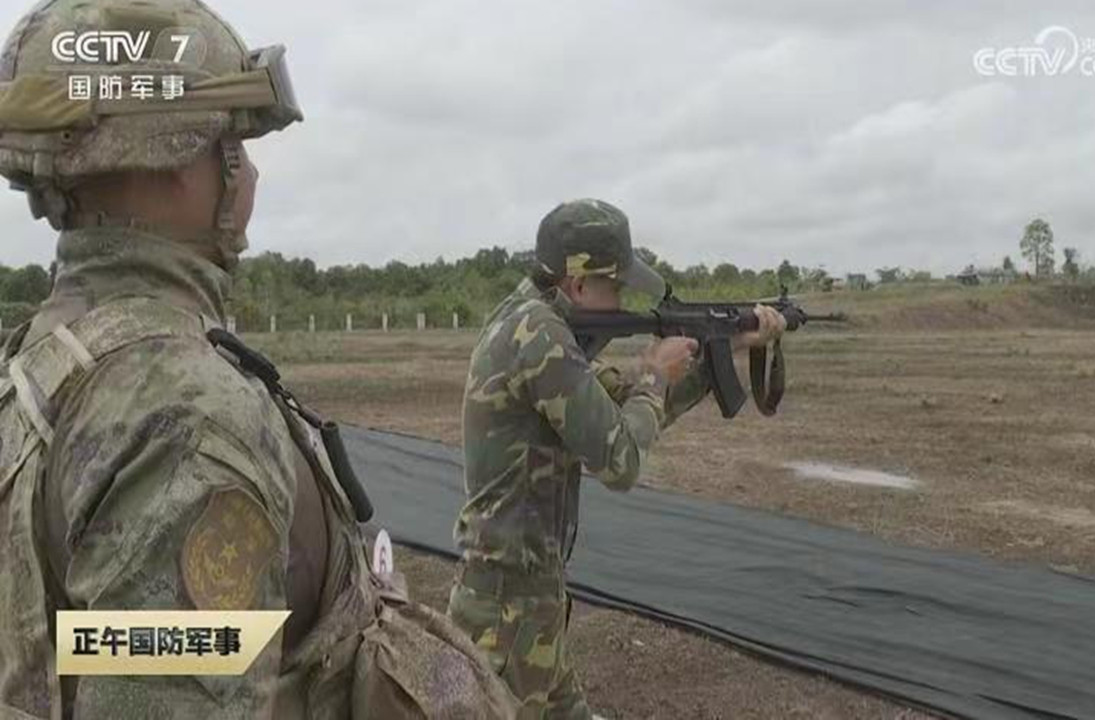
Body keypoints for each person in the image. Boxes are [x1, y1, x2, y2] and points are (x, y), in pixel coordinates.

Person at [0, 1, 514, 717]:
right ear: (183, 158)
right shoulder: (184, 416)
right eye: (236, 144)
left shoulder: (42, 356)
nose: (250, 176)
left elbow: (101, 648)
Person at [447, 198, 786, 718]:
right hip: (508, 612)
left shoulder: (532, 321)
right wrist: (654, 373)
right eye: (616, 287)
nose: (626, 300)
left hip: (525, 599)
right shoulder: (538, 335)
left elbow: (621, 412)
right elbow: (620, 460)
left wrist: (725, 348)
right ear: (578, 285)